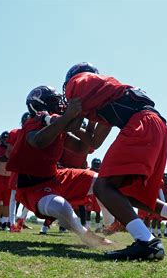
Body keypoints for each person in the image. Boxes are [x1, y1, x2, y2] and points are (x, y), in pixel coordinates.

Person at [63, 63, 167, 260]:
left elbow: (74, 122)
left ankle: (147, 241)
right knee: (124, 191)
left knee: (102, 186)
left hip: (142, 125)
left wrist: (60, 121)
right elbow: (93, 142)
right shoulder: (105, 94)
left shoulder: (79, 83)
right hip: (155, 126)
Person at [6, 85, 111, 247]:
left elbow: (82, 148)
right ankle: (85, 235)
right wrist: (69, 115)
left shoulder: (58, 125)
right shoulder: (32, 123)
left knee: (102, 181)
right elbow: (39, 141)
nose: (61, 105)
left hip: (55, 177)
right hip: (33, 188)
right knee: (60, 206)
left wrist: (89, 116)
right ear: (41, 105)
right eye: (55, 102)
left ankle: (109, 226)